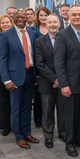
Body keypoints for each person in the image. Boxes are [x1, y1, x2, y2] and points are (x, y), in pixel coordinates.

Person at [54, 5, 80, 157]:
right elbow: (59, 62)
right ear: (69, 17)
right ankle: (70, 143)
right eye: (74, 14)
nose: (77, 17)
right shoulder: (62, 35)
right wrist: (63, 84)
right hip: (70, 83)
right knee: (70, 114)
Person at [0, 9, 40, 149]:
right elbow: (2, 60)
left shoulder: (33, 34)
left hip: (30, 75)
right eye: (18, 17)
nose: (21, 19)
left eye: (24, 17)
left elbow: (35, 56)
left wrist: (37, 75)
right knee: (16, 108)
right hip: (15, 78)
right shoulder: (5, 35)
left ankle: (27, 132)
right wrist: (6, 80)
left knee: (27, 107)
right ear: (13, 18)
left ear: (27, 17)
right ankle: (19, 136)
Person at [35, 14, 66, 149]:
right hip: (47, 82)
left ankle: (63, 132)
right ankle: (48, 136)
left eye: (55, 22)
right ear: (46, 25)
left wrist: (61, 79)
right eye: (50, 22)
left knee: (63, 110)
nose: (52, 24)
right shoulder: (39, 42)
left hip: (63, 82)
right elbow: (39, 64)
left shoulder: (65, 40)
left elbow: (68, 61)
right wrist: (54, 78)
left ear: (59, 24)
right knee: (47, 111)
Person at [29, 6, 51, 129]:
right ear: (37, 17)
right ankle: (38, 120)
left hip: (52, 68)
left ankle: (49, 120)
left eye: (46, 15)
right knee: (38, 96)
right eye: (41, 15)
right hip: (38, 68)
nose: (43, 17)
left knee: (51, 97)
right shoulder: (32, 30)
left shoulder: (54, 28)